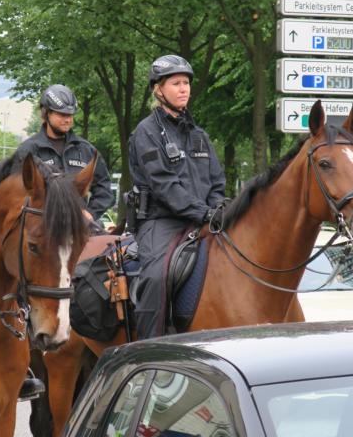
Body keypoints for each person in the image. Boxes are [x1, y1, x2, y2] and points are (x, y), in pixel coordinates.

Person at [128, 55, 226, 339]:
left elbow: (217, 181)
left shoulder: (199, 135)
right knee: (156, 276)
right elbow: (163, 185)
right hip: (161, 221)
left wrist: (216, 209)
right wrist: (202, 212)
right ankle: (149, 347)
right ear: (158, 90)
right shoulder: (146, 132)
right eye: (176, 83)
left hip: (204, 218)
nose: (184, 89)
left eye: (186, 83)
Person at [14, 84, 114, 229]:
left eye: (70, 115)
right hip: (42, 231)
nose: (68, 119)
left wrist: (90, 213)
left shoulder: (87, 150)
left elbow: (105, 190)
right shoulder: (27, 151)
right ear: (46, 113)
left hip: (80, 230)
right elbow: (15, 194)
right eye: (62, 114)